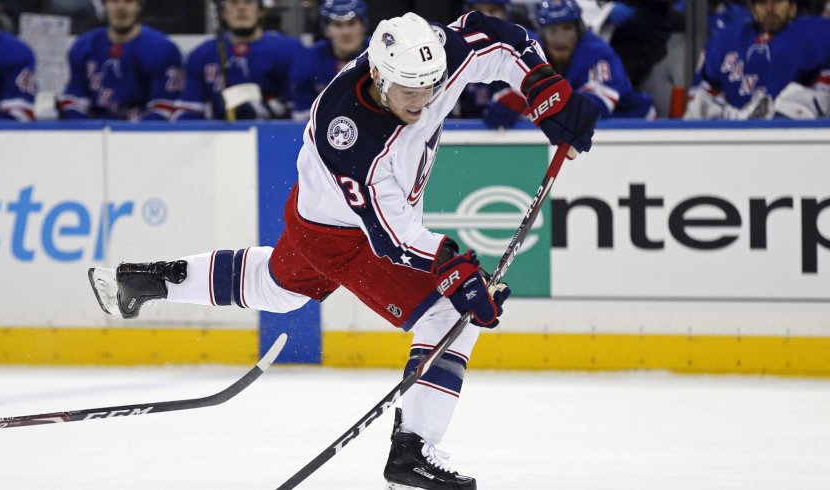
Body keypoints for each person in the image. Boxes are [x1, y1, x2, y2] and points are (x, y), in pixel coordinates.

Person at [89, 11, 598, 489]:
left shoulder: (426, 63)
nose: (422, 102)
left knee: (278, 290)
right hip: (346, 236)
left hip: (314, 219)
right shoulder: (351, 136)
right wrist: (456, 271)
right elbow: (392, 237)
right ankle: (412, 451)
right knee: (446, 313)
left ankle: (141, 281)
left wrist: (543, 87)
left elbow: (500, 40)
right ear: (378, 75)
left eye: (431, 88)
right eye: (408, 92)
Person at [482, 0, 653, 128]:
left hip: (631, 125)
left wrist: (535, 104)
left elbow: (595, 105)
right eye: (552, 31)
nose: (560, 39)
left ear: (578, 30)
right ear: (541, 34)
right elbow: (516, 94)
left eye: (567, 29)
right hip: (581, 132)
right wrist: (514, 99)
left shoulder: (597, 52)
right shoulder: (533, 52)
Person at [685, 0, 830, 119]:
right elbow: (701, 98)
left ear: (792, 7)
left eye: (777, 2)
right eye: (762, 2)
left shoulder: (818, 32)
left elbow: (824, 91)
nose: (769, 8)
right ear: (753, 10)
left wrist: (795, 106)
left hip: (795, 137)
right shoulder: (725, 40)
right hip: (734, 137)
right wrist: (729, 116)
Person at [172, 0, 302, 121]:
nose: (241, 8)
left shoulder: (289, 50)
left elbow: (301, 109)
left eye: (248, 2)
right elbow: (188, 111)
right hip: (222, 138)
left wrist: (272, 108)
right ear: (222, 13)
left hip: (277, 137)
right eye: (233, 2)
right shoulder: (202, 54)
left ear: (261, 11)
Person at [58, 0, 183, 121]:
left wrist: (133, 135)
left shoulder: (162, 48)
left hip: (143, 134)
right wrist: (89, 132)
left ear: (139, 6)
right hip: (95, 132)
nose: (121, 7)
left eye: (128, 1)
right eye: (114, 1)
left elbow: (163, 108)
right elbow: (73, 101)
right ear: (104, 5)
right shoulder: (84, 46)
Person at [290, 0, 369, 121]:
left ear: (364, 26)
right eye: (338, 25)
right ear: (326, 30)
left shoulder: (383, 54)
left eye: (351, 23)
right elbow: (301, 115)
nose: (346, 32)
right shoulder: (308, 59)